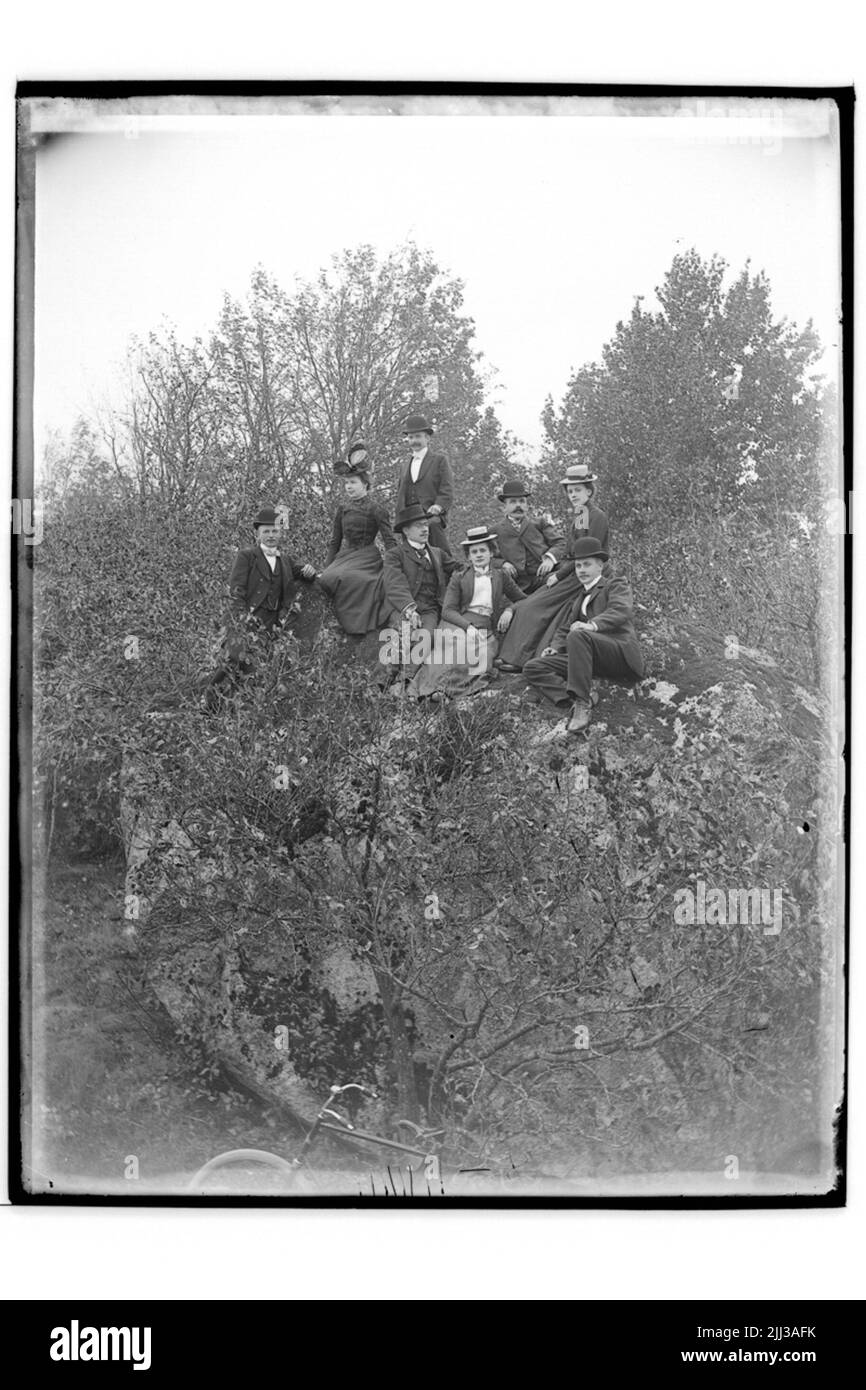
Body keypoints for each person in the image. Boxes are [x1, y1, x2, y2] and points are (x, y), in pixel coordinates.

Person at [495, 463, 610, 673]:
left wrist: (559, 575)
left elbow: (586, 553)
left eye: (578, 490)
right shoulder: (582, 513)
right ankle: (511, 655)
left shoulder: (596, 516)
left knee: (534, 607)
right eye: (570, 491)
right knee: (530, 605)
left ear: (589, 491)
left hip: (585, 573)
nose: (573, 494)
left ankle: (522, 660)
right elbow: (575, 547)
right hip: (574, 570)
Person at [523, 537, 643, 734]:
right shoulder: (580, 597)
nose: (581, 570)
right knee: (533, 667)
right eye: (578, 566)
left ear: (600, 566)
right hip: (590, 659)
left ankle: (581, 704)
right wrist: (555, 647)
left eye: (587, 564)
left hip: (618, 654)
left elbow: (621, 611)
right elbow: (565, 628)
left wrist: (592, 626)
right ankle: (580, 693)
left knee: (578, 635)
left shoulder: (615, 585)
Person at [199, 506, 316, 709]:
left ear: (281, 533)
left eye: (275, 531)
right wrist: (241, 620)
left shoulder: (286, 560)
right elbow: (236, 591)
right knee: (234, 658)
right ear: (258, 534)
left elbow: (303, 572)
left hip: (270, 625)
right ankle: (207, 703)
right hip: (244, 618)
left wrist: (310, 570)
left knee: (252, 670)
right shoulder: (247, 556)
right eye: (266, 531)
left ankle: (232, 713)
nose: (271, 535)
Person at [407, 526, 525, 700]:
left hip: (485, 627)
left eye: (483, 550)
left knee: (481, 656)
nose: (478, 555)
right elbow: (447, 610)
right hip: (457, 622)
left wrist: (510, 609)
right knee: (457, 648)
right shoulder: (459, 576)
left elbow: (522, 599)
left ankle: (448, 691)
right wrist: (467, 627)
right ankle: (429, 689)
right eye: (474, 551)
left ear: (491, 553)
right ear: (469, 556)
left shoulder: (501, 576)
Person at [316, 445, 396, 634]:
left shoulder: (376, 509)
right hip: (345, 556)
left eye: (353, 482)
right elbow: (335, 541)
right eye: (347, 483)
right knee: (328, 578)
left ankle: (355, 626)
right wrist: (326, 566)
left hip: (367, 557)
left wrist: (396, 565)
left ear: (365, 484)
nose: (349, 487)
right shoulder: (342, 509)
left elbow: (389, 540)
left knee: (352, 578)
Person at [381, 503, 458, 682]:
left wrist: (486, 566)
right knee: (401, 636)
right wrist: (409, 608)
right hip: (403, 608)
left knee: (426, 636)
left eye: (426, 525)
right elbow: (394, 584)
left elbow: (456, 567)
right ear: (406, 531)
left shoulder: (437, 553)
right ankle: (381, 683)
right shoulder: (395, 555)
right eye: (419, 526)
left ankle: (403, 680)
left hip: (430, 609)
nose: (425, 529)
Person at [490, 479, 565, 593]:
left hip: (546, 576)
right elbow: (486, 557)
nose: (518, 505)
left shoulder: (539, 522)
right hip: (518, 584)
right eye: (513, 502)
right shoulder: (495, 531)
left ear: (527, 505)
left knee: (570, 575)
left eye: (522, 501)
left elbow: (560, 543)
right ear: (505, 506)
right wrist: (503, 563)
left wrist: (550, 559)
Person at [393, 413, 455, 553]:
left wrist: (438, 506)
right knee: (408, 555)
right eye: (411, 437)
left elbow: (447, 489)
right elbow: (400, 494)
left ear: (427, 438)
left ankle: (448, 571)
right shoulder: (405, 465)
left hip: (430, 515)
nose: (414, 440)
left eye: (418, 436)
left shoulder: (439, 460)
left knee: (438, 550)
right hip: (409, 516)